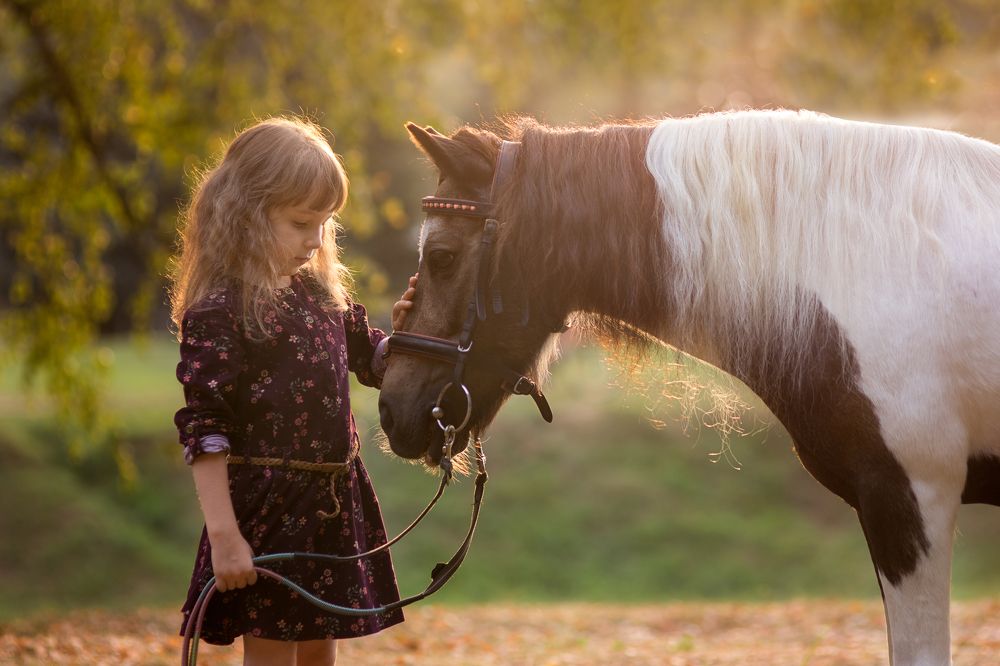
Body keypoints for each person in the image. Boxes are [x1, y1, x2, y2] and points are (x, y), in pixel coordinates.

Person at [168, 116, 417, 666]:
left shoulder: (320, 296)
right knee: (273, 654)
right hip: (268, 512)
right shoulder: (219, 312)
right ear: (247, 216)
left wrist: (408, 334)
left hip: (330, 504)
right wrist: (225, 537)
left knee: (319, 653)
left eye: (325, 224)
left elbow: (373, 359)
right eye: (302, 222)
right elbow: (206, 432)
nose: (316, 239)